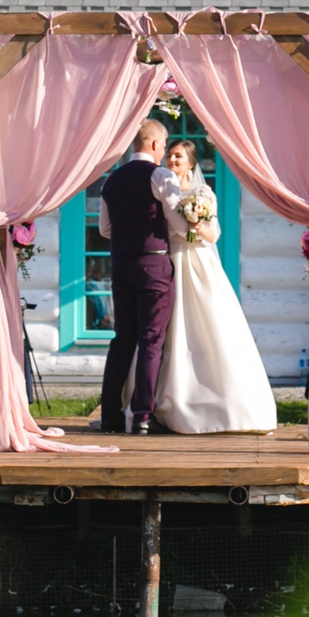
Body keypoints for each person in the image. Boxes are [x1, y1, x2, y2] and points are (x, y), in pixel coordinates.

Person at [151, 139, 275, 433]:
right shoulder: (160, 191)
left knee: (209, 325)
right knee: (171, 328)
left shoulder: (202, 193)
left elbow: (213, 234)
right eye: (169, 156)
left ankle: (221, 401)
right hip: (171, 261)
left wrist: (194, 223)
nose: (172, 160)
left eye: (178, 157)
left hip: (199, 263)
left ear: (191, 163)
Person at [96, 119, 178, 434]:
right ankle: (142, 415)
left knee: (122, 339)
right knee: (151, 340)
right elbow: (177, 222)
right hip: (153, 264)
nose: (164, 152)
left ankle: (110, 416)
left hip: (121, 265)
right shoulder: (160, 175)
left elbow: (105, 229)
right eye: (164, 145)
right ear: (155, 144)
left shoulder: (111, 180)